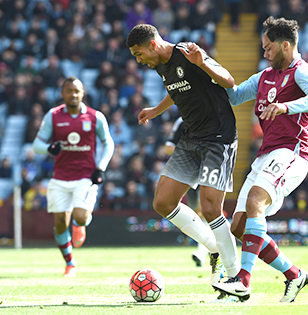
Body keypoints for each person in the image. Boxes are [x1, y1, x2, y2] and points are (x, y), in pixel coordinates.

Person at [213, 16, 308, 302]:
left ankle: (243, 280)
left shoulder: (301, 71)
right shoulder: (263, 77)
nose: (264, 53)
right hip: (265, 155)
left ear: (285, 46)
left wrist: (286, 107)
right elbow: (236, 96)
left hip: (291, 152)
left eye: (268, 48)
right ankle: (294, 274)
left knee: (255, 203)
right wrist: (208, 72)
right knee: (239, 226)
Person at [126, 24, 240, 292]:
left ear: (152, 45)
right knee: (163, 202)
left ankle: (236, 277)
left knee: (211, 208)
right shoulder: (161, 66)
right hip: (192, 138)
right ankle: (214, 250)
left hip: (218, 138)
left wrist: (203, 64)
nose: (138, 60)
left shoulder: (188, 52)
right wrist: (156, 109)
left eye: (138, 53)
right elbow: (178, 89)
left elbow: (228, 80)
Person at [33, 76, 115, 277]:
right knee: (60, 223)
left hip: (85, 176)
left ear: (83, 93)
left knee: (79, 216)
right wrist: (49, 148)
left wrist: (101, 168)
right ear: (62, 94)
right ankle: (70, 263)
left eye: (77, 91)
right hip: (60, 177)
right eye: (69, 91)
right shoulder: (53, 116)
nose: (73, 94)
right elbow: (37, 145)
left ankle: (80, 226)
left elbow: (108, 143)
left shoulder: (95, 116)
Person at [164, 116, 209, 267]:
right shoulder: (182, 120)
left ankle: (203, 252)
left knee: (208, 212)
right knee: (198, 214)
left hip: (209, 171)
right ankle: (210, 249)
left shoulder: (212, 117)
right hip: (189, 173)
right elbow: (168, 147)